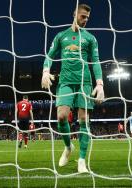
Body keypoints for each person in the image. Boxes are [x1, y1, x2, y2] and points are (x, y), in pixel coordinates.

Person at [41, 4, 104, 173]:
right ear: (74, 14)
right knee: (61, 116)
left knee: (84, 119)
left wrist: (100, 84)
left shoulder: (90, 38)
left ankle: (82, 160)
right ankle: (68, 147)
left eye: (87, 18)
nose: (85, 20)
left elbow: (96, 61)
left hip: (85, 82)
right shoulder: (61, 36)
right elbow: (49, 55)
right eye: (83, 16)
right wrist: (45, 71)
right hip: (66, 81)